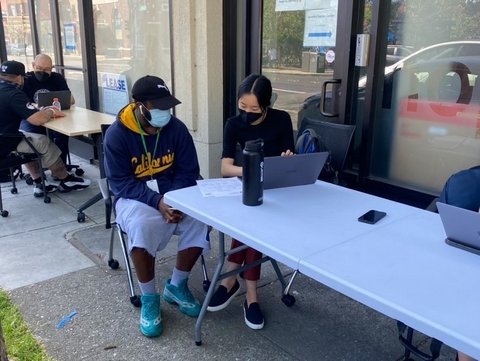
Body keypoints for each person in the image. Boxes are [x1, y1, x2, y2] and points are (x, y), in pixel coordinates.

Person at [103, 75, 210, 338]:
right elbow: (120, 183)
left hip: (173, 193)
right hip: (135, 196)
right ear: (138, 105)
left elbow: (189, 170)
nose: (164, 112)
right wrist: (157, 202)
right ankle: (149, 298)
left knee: (200, 217)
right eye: (157, 106)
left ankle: (177, 285)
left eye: (167, 106)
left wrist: (174, 200)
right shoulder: (117, 135)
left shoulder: (176, 128)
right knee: (142, 224)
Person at [207, 74, 295, 329]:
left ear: (266, 105)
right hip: (246, 188)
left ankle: (230, 279)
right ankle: (250, 296)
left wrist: (288, 158)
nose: (247, 113)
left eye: (254, 109)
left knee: (253, 222)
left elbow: (289, 156)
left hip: (278, 190)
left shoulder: (281, 119)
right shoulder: (233, 124)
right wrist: (251, 171)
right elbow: (225, 167)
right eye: (242, 107)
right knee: (252, 221)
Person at [0, 60, 91, 195]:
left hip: (6, 138)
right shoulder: (13, 94)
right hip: (6, 143)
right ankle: (65, 179)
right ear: (19, 78)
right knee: (43, 142)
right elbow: (38, 119)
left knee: (29, 138)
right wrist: (51, 111)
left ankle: (39, 182)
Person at [21, 53, 75, 165]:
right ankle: (38, 170)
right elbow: (23, 104)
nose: (42, 72)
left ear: (52, 68)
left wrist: (52, 107)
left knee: (62, 135)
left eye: (47, 69)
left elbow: (71, 100)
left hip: (55, 116)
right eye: (39, 68)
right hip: (32, 117)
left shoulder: (57, 78)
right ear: (33, 65)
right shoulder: (26, 80)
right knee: (32, 136)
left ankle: (61, 167)